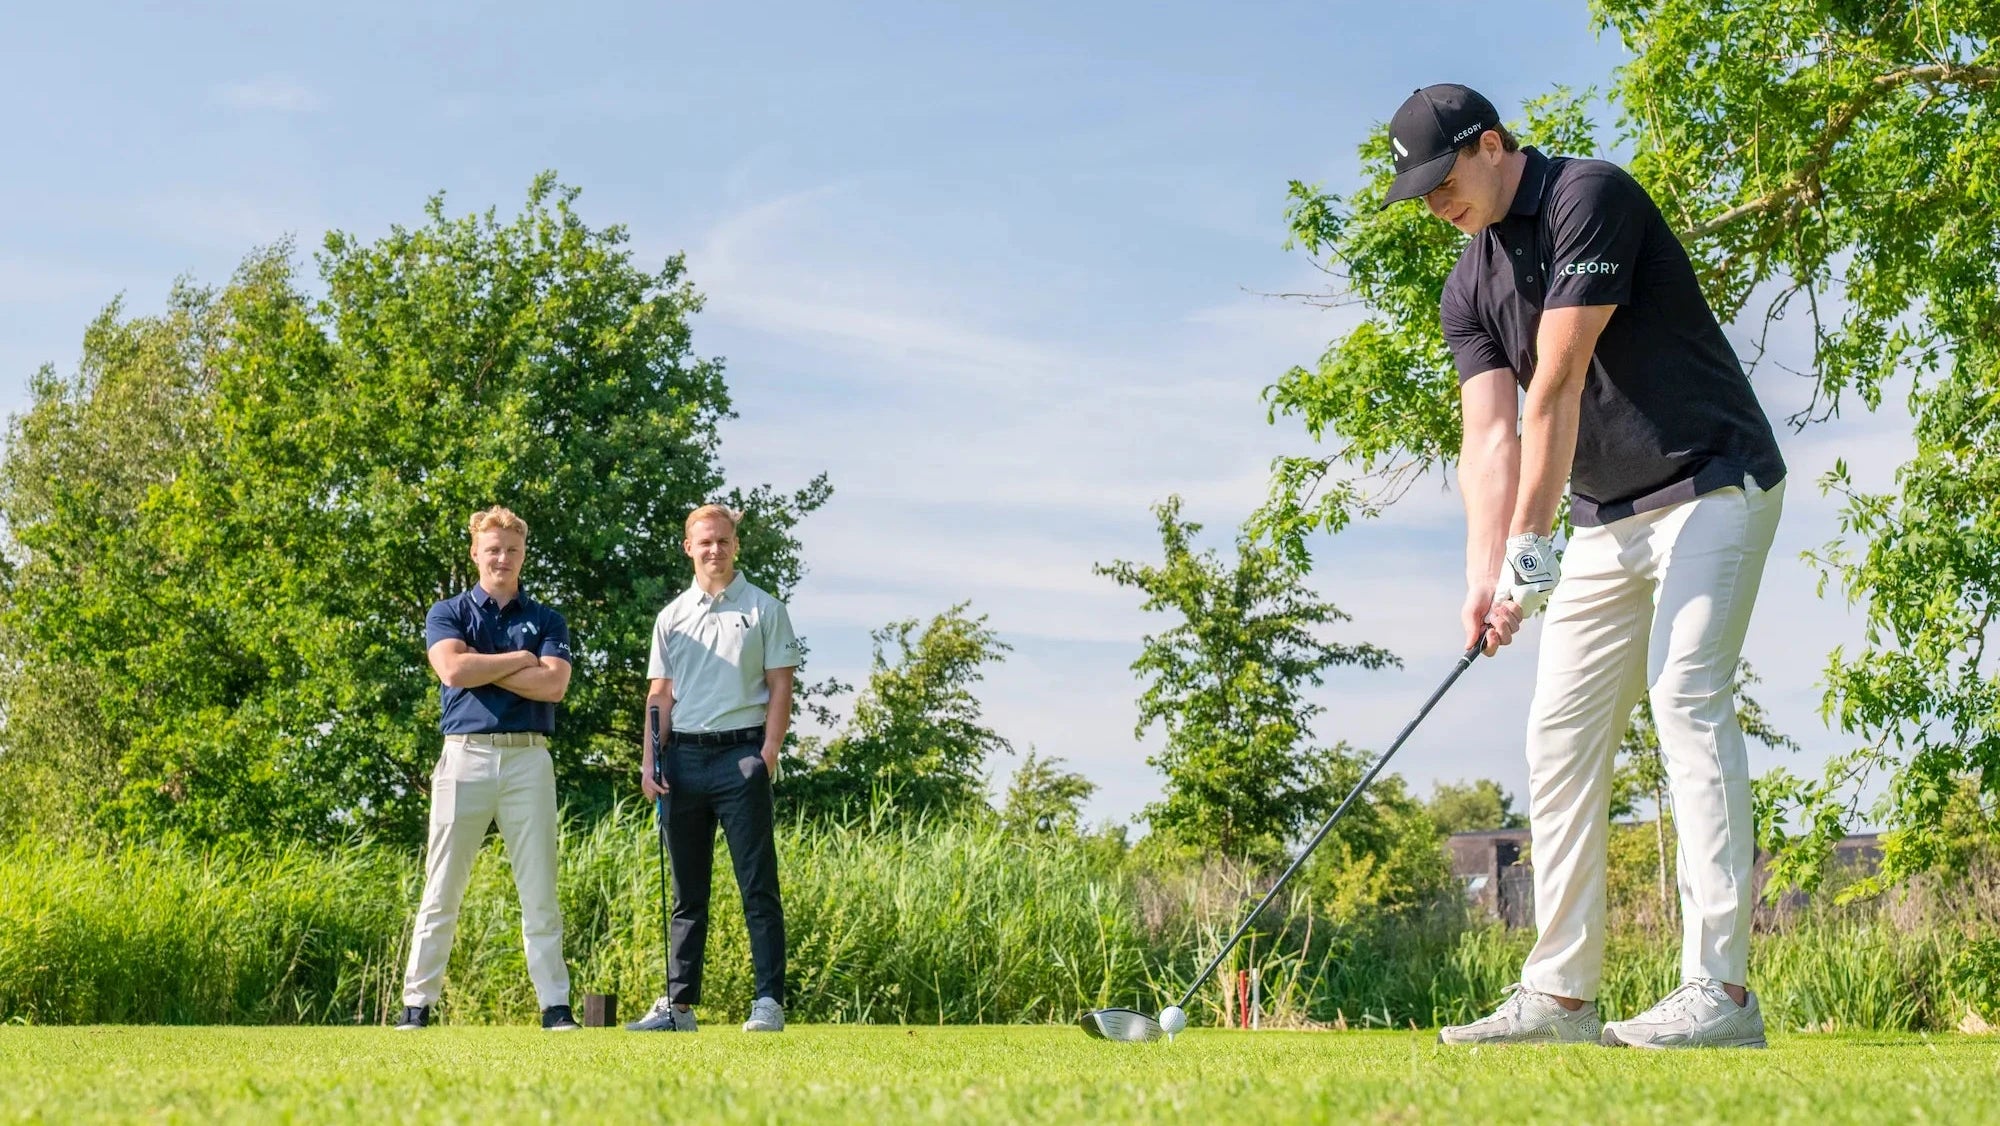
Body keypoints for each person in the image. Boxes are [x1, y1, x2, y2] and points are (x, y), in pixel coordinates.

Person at [1380, 84, 1787, 1048]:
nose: (1437, 204)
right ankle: (1561, 995)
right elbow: (1489, 440)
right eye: (1421, 192)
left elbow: (1554, 384)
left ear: (1492, 145)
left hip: (1712, 481)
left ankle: (1720, 994)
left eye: (1444, 181)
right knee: (1558, 736)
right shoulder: (1466, 286)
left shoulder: (1588, 197)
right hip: (1609, 514)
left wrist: (1531, 552)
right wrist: (1486, 576)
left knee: (1686, 697)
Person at [396, 506, 578, 1032]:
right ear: (475, 552)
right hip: (465, 757)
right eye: (493, 549)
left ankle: (555, 1008)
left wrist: (486, 667)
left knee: (539, 889)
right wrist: (522, 659)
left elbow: (554, 686)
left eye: (512, 550)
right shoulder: (447, 612)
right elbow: (453, 667)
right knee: (442, 887)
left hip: (528, 758)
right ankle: (417, 1006)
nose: (502, 557)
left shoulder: (547, 619)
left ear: (523, 555)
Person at [626, 504, 800, 1033]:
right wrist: (649, 760)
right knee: (688, 893)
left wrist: (767, 754)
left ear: (735, 546)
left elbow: (780, 685)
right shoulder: (671, 616)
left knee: (757, 885)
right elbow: (660, 696)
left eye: (724, 541)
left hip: (740, 756)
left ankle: (768, 1002)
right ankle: (679, 1008)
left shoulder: (765, 608)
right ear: (689, 547)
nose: (715, 550)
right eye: (705, 542)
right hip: (683, 761)